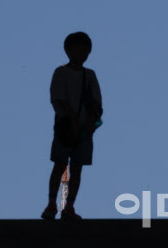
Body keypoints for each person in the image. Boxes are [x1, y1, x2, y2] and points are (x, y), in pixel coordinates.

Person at [41, 32, 103, 220]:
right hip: (65, 127)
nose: (82, 52)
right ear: (68, 50)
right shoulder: (61, 72)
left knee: (76, 168)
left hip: (85, 129)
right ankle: (52, 203)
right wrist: (74, 121)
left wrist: (89, 125)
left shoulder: (90, 75)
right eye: (78, 48)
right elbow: (59, 99)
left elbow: (97, 104)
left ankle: (69, 206)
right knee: (60, 165)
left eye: (85, 49)